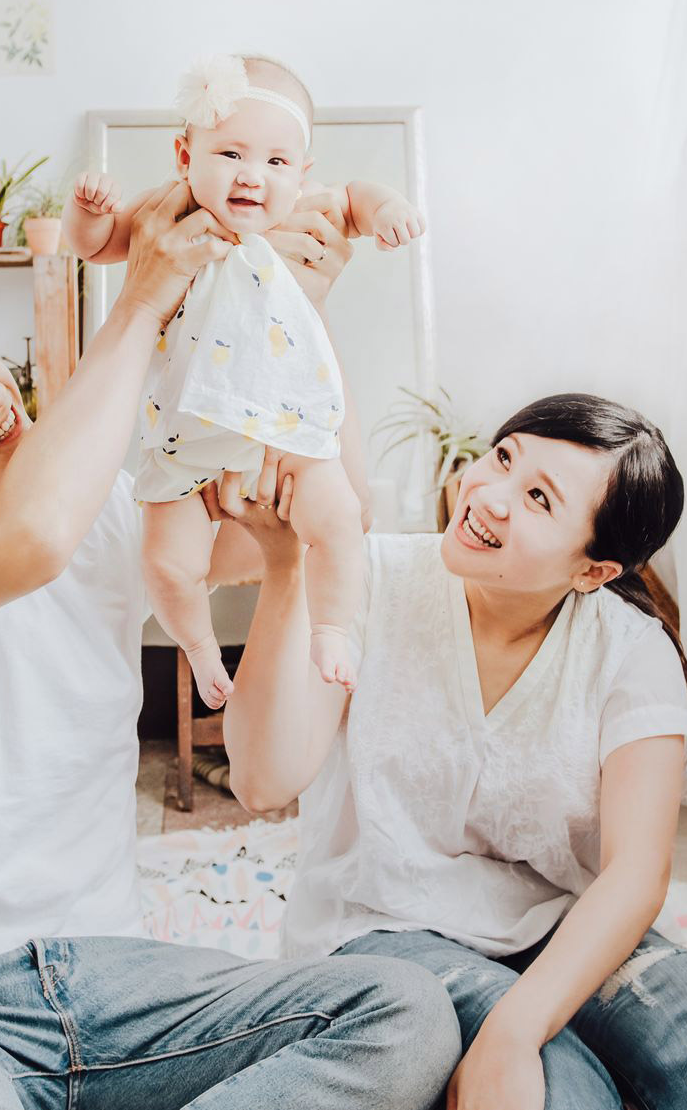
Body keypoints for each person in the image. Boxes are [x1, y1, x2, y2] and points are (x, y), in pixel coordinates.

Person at [0, 184, 459, 1110]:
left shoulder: (109, 517)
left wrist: (307, 316)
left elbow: (336, 516)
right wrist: (140, 299)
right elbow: (31, 536)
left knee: (403, 1012)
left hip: (117, 987)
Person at [218, 393, 687, 1110]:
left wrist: (515, 1029)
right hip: (385, 922)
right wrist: (286, 564)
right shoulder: (368, 576)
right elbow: (263, 781)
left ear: (594, 571)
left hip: (559, 924)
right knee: (564, 1084)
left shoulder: (629, 650)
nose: (490, 496)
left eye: (538, 498)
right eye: (503, 458)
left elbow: (635, 872)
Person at [62, 52, 425, 706]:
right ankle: (200, 648)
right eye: (230, 153)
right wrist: (88, 211)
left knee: (341, 519)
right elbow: (97, 244)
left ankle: (332, 630)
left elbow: (356, 198)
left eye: (277, 161)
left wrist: (387, 207)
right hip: (188, 437)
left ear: (301, 172)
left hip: (285, 428)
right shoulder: (171, 212)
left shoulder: (304, 211)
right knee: (167, 562)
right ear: (185, 156)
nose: (253, 176)